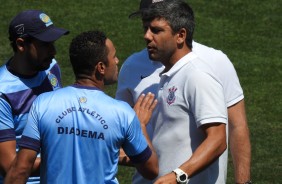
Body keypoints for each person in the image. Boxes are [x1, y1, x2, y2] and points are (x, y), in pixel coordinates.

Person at [116, 0, 251, 183]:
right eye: (145, 27)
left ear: (180, 35)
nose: (146, 36)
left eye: (156, 30)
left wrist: (177, 176)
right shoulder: (166, 74)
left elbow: (219, 139)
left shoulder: (199, 74)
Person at [4, 30, 159, 184]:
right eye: (113, 57)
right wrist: (141, 125)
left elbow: (21, 170)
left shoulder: (42, 104)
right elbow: (151, 170)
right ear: (101, 67)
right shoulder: (122, 113)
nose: (117, 61)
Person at [0, 10, 69, 183]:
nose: (53, 51)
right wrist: (66, 160)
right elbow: (9, 167)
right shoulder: (2, 92)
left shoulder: (50, 67)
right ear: (21, 44)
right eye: (45, 45)